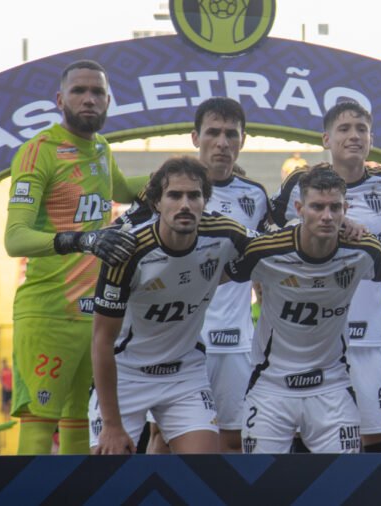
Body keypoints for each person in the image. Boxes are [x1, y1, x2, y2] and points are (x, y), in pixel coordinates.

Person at [4, 59, 148, 455]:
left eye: (97, 92)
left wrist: (180, 175)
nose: (89, 99)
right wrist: (82, 241)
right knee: (39, 426)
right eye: (79, 91)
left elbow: (122, 189)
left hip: (96, 317)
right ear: (59, 99)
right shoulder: (38, 152)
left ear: (108, 101)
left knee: (81, 424)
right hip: (49, 313)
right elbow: (15, 239)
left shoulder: (101, 148)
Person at [225, 166, 381, 454]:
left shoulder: (362, 250)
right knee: (260, 479)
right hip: (271, 389)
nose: (327, 216)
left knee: (343, 479)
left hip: (332, 388)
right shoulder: (265, 251)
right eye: (317, 207)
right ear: (299, 208)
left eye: (334, 207)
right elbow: (209, 279)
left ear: (345, 210)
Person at [271, 101, 381, 452]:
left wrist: (378, 245)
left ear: (371, 139)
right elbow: (270, 230)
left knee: (375, 442)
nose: (353, 135)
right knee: (312, 440)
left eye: (361, 129)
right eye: (344, 129)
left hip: (374, 339)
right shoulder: (300, 184)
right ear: (326, 138)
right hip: (314, 341)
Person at [120, 97, 271, 453]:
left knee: (232, 439)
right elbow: (121, 239)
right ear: (194, 137)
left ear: (243, 140)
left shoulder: (256, 195)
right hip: (175, 344)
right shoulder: (165, 189)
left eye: (231, 134)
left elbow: (268, 254)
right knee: (162, 437)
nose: (222, 143)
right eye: (213, 133)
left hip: (233, 341)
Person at [89, 156, 250, 454]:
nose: (185, 204)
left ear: (205, 201)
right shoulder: (127, 251)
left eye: (194, 195)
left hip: (184, 374)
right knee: (109, 472)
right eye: (174, 195)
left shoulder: (226, 234)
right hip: (127, 375)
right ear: (157, 203)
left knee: (204, 471)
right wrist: (111, 424)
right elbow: (102, 340)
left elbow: (275, 250)